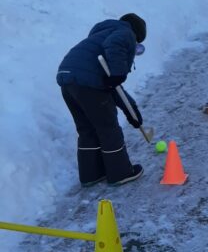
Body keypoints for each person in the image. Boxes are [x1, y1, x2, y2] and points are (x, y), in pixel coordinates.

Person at [56, 14, 146, 187]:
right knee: (108, 128)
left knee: (87, 129)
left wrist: (131, 111)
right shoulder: (126, 32)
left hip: (67, 79)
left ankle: (91, 174)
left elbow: (114, 89)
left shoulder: (100, 36)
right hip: (87, 84)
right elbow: (115, 45)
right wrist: (119, 73)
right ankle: (120, 173)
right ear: (136, 34)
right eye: (136, 46)